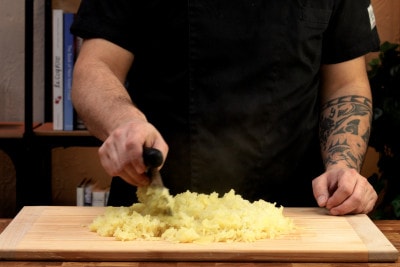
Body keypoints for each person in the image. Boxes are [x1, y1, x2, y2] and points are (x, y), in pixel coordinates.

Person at [70, 0, 380, 215]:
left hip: (296, 215)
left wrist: (343, 165)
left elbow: (346, 84)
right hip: (157, 212)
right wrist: (124, 122)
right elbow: (94, 68)